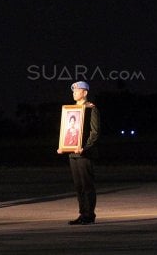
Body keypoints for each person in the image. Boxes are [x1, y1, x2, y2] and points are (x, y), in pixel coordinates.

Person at [58, 81, 100, 225]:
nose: (74, 93)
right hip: (72, 154)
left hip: (84, 153)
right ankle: (82, 213)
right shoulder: (71, 110)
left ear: (85, 93)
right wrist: (62, 147)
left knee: (87, 185)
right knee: (78, 186)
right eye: (73, 91)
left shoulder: (90, 109)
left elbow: (94, 133)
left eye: (77, 90)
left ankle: (90, 215)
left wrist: (85, 148)